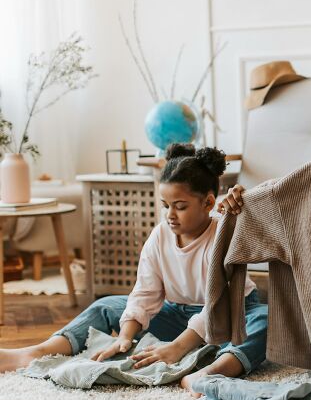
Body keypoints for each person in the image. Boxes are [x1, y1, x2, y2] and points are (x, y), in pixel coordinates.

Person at [0, 144, 268, 387]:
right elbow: (145, 292)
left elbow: (215, 307)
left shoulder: (223, 235)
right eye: (166, 205)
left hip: (230, 314)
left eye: (180, 206)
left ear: (208, 202)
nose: (170, 215)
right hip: (178, 314)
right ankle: (39, 351)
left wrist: (176, 347)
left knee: (265, 319)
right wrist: (125, 336)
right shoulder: (160, 235)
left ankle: (212, 372)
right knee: (106, 305)